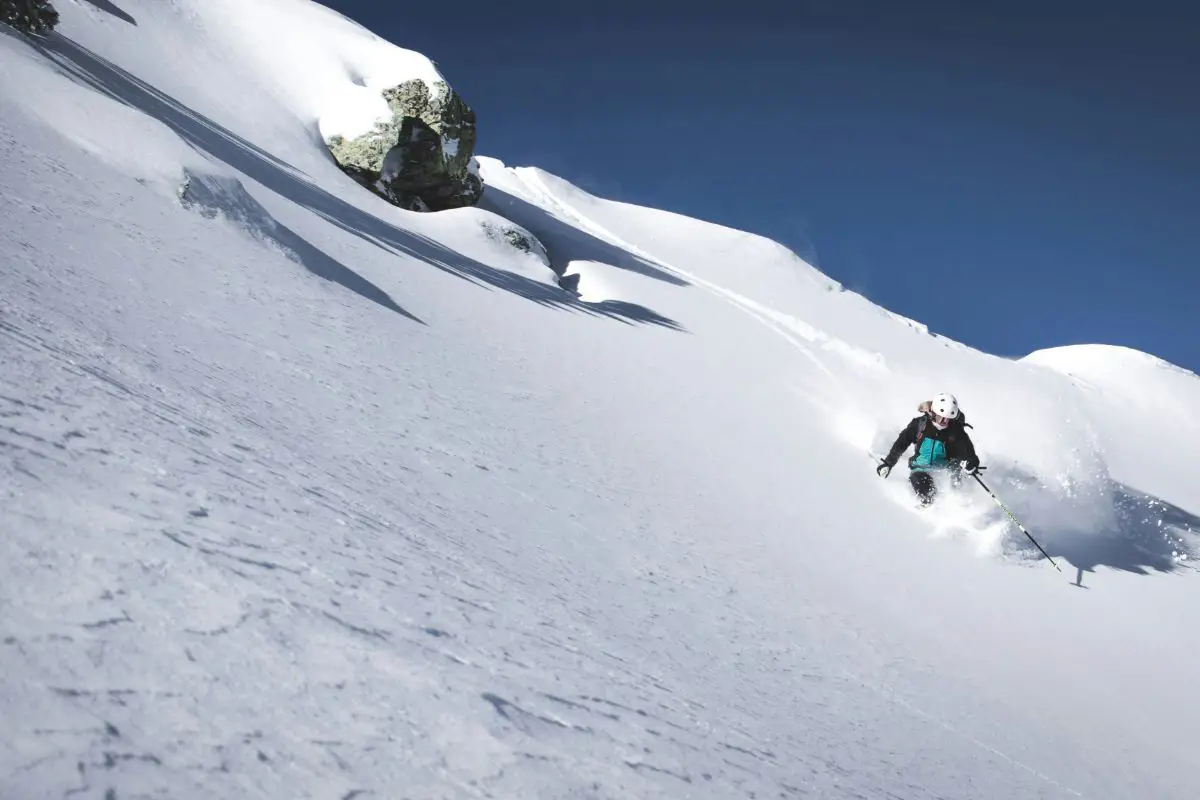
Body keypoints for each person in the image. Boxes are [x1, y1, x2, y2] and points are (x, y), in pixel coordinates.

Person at [876, 393, 982, 506]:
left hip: (946, 470)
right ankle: (926, 514)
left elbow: (968, 453)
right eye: (941, 417)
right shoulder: (920, 425)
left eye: (948, 419)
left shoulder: (955, 431)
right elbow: (901, 443)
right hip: (921, 469)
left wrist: (972, 463)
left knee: (956, 485)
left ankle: (960, 506)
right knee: (928, 495)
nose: (945, 421)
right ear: (933, 413)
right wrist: (888, 463)